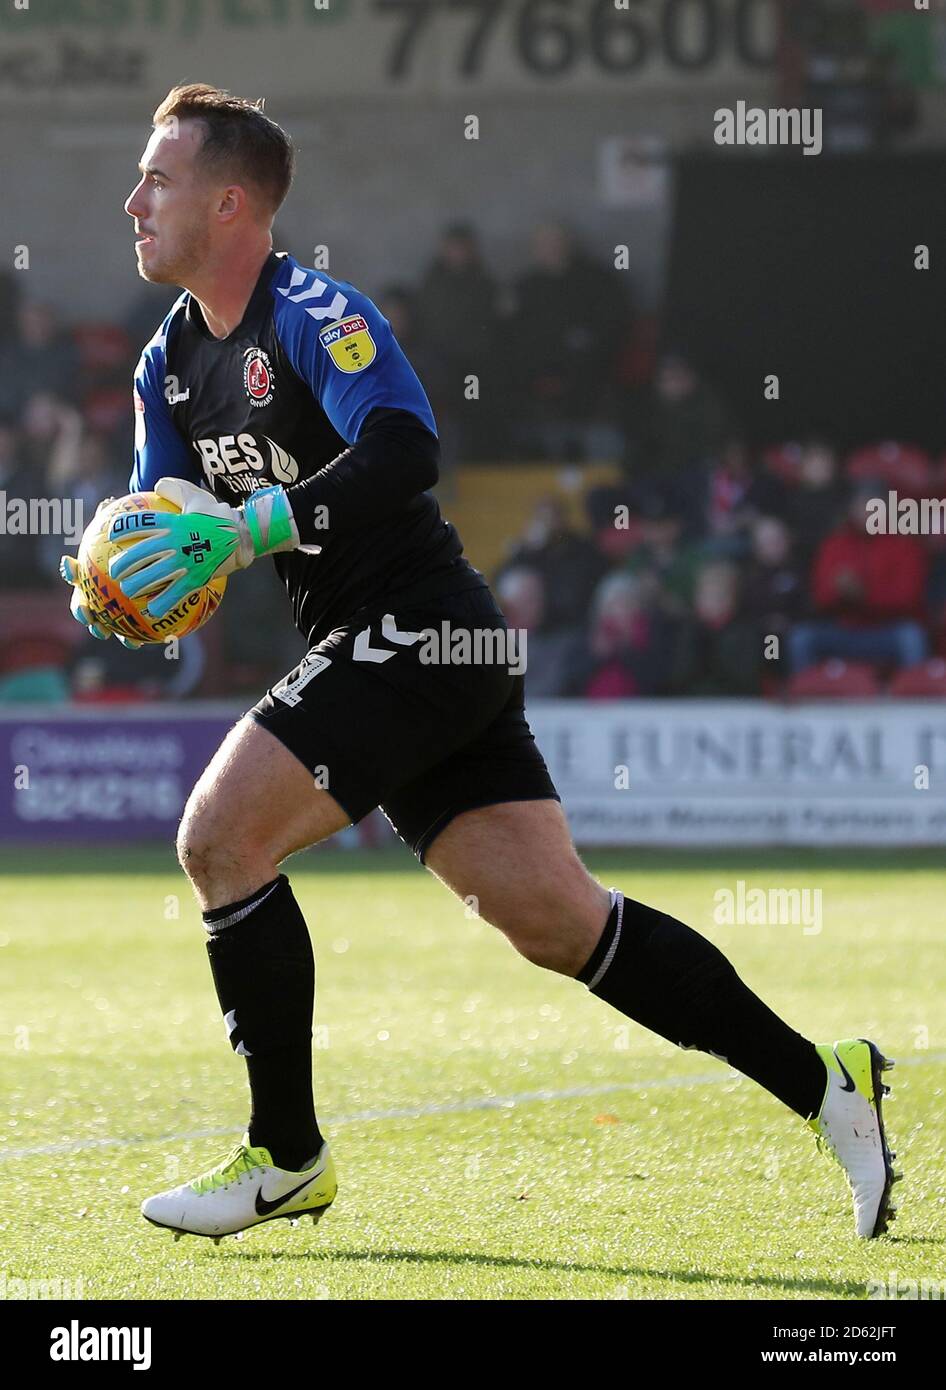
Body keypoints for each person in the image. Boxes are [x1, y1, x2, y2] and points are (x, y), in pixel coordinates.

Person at [60, 84, 898, 1242]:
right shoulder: (165, 363)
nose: (132, 200)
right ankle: (825, 1081)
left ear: (232, 198)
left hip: (416, 625)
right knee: (559, 923)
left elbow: (406, 448)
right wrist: (128, 578)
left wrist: (247, 532)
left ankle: (287, 1155)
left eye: (158, 177)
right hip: (400, 656)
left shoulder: (315, 311)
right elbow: (175, 516)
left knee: (218, 837)